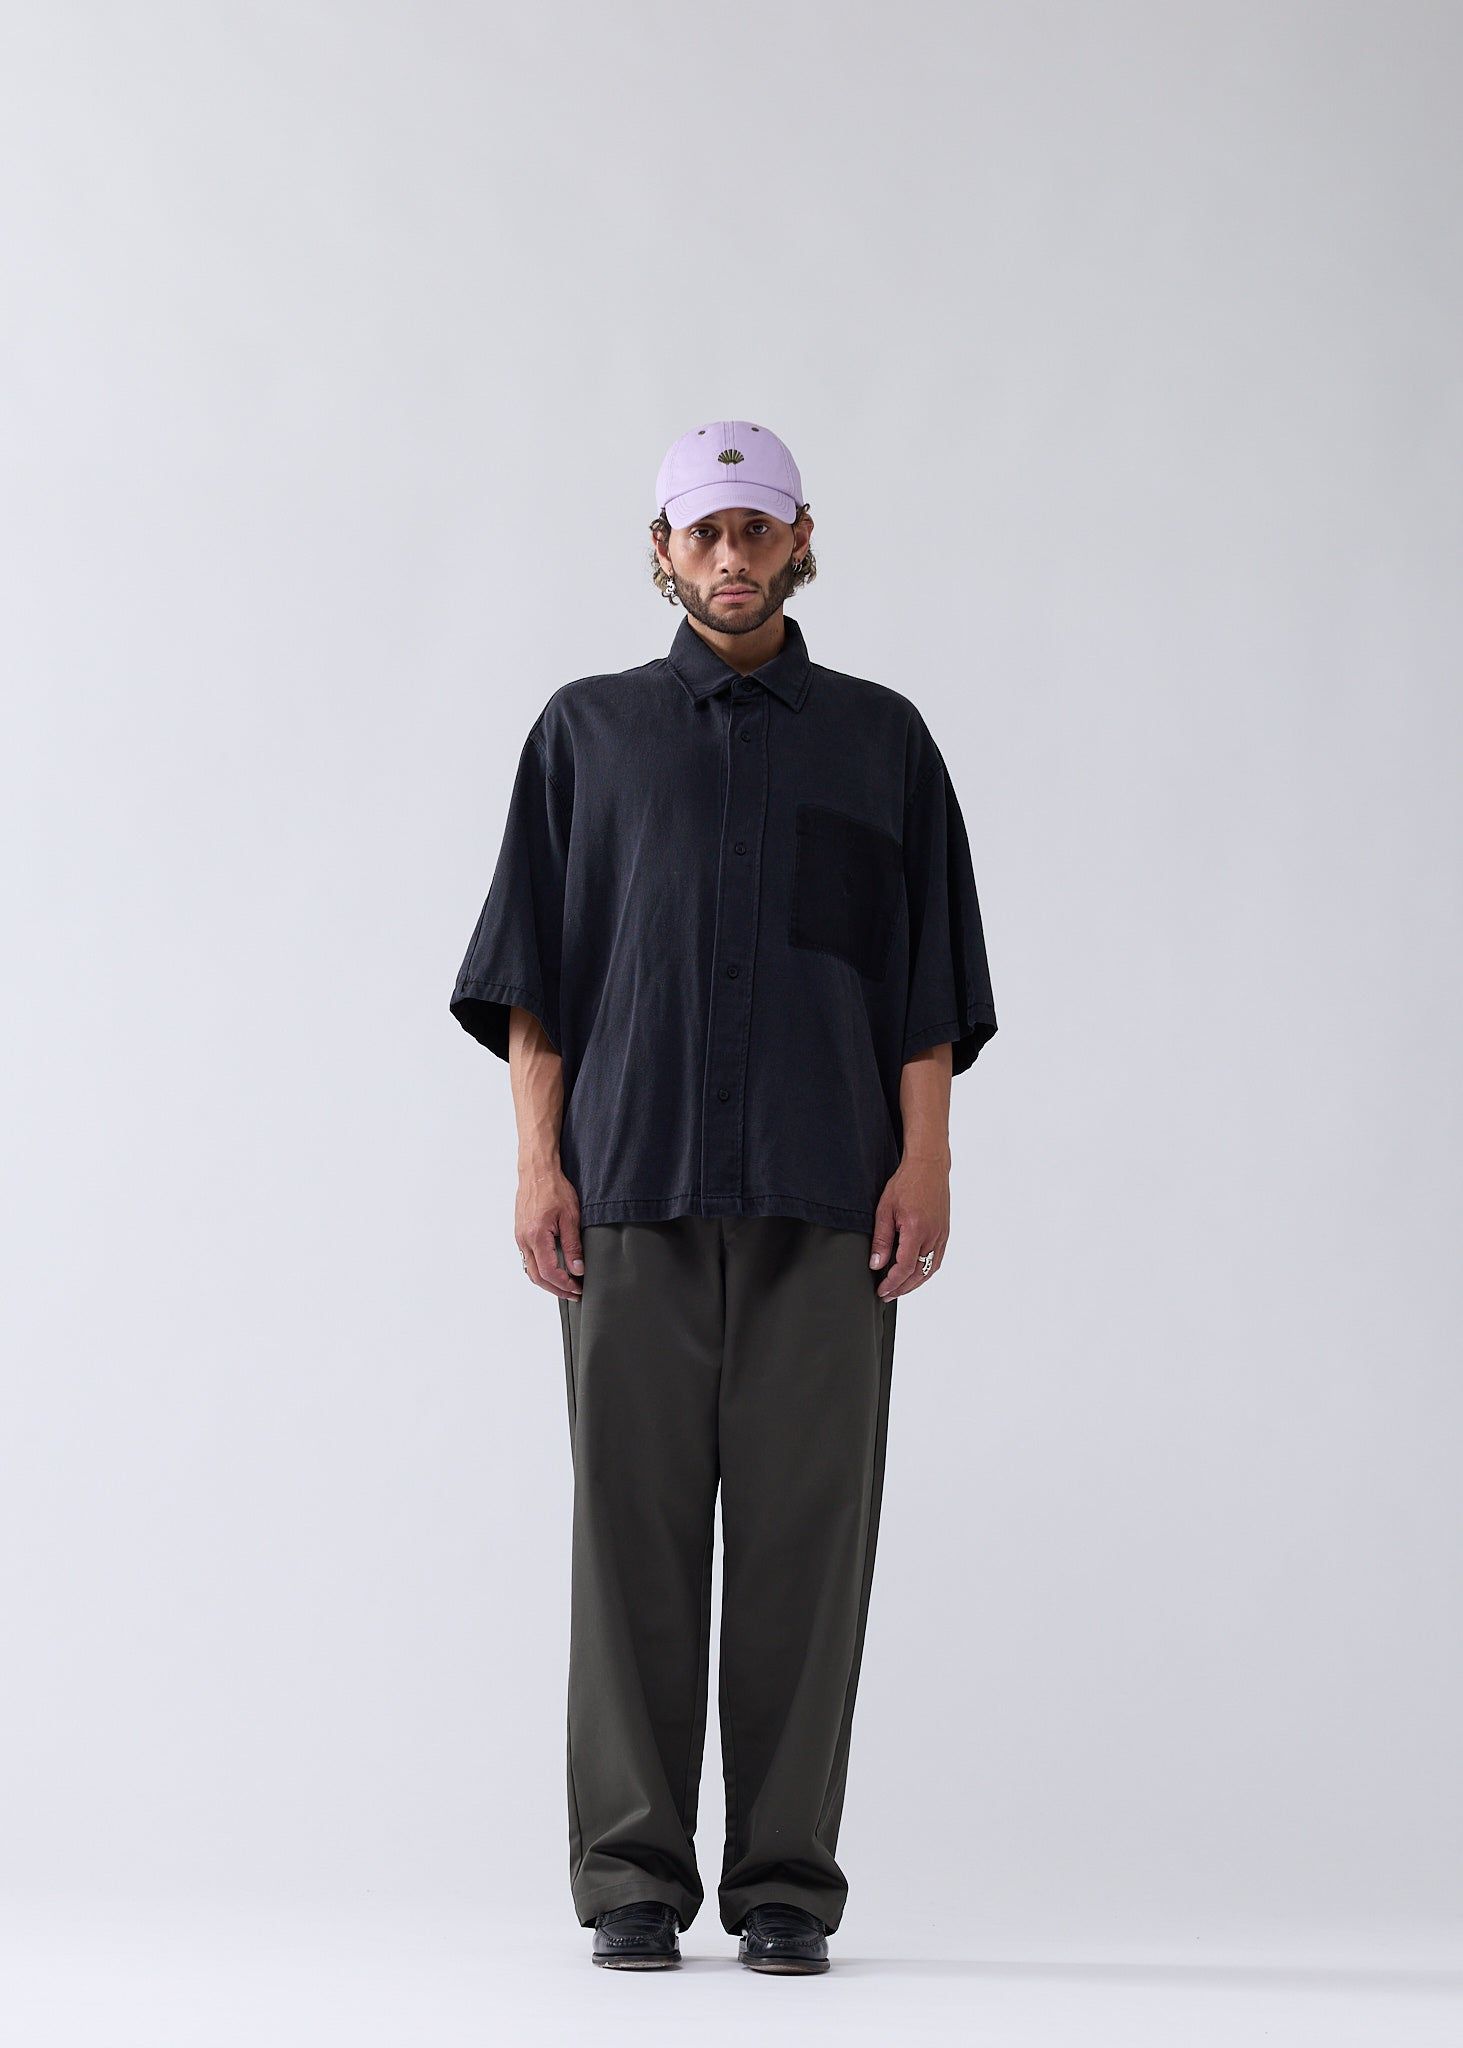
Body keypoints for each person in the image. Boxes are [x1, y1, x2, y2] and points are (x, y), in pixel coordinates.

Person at [449, 418, 998, 1974]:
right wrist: (538, 1163)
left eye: (757, 530)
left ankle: (784, 1885)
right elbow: (535, 976)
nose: (732, 557)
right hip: (628, 1191)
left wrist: (928, 1159)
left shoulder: (883, 743)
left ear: (800, 539)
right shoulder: (586, 735)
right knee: (627, 1543)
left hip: (831, 1200)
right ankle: (632, 1876)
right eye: (705, 532)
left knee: (806, 1550)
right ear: (663, 548)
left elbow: (926, 983)